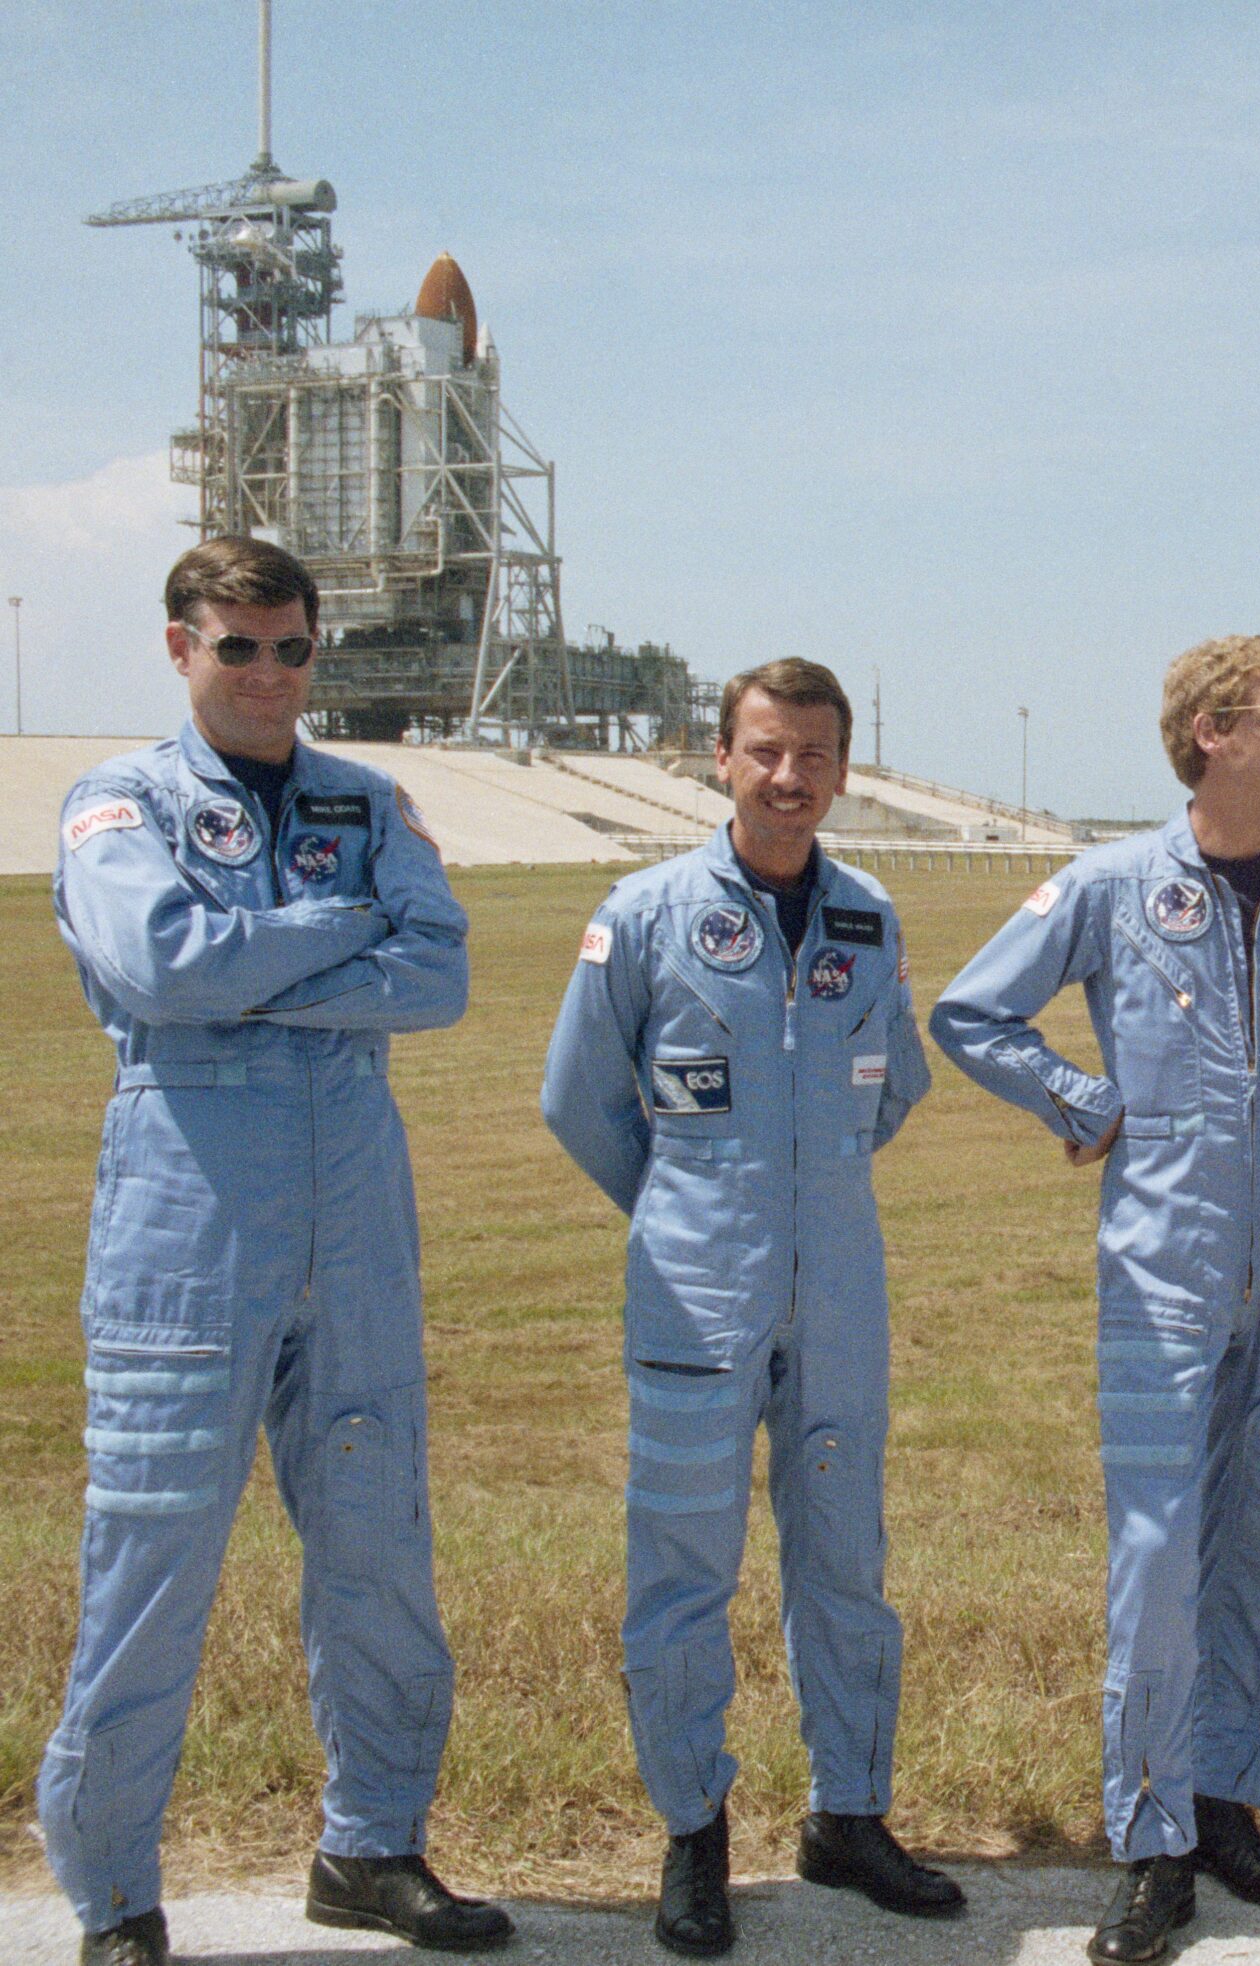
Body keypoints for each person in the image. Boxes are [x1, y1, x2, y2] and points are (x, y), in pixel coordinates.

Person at [931, 634, 1260, 1964]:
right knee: (1158, 1558)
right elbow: (973, 1012)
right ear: (1212, 732)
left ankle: (1227, 1799)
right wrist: (1079, 1099)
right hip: (1162, 1274)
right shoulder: (1111, 886)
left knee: (1258, 1543)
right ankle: (1149, 1841)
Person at [41, 538, 505, 1966]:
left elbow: (438, 975)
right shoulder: (119, 803)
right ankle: (115, 1888)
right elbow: (162, 966)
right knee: (152, 1558)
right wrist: (337, 927)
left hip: (354, 1212)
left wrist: (257, 961)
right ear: (180, 648)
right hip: (189, 1211)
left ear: (317, 653)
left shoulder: (371, 799)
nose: (265, 674)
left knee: (379, 1549)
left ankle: (371, 1845)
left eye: (291, 648)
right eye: (235, 646)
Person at [541, 660, 957, 1958]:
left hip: (836, 1289)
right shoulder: (648, 911)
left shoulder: (868, 916)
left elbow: (895, 1087)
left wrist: (804, 1188)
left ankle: (849, 1812)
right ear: (719, 756)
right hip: (694, 1298)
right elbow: (580, 1098)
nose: (791, 778)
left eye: (815, 756)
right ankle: (693, 1833)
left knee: (846, 1565)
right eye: (767, 751)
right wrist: (688, 1202)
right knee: (683, 1573)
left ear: (842, 768)